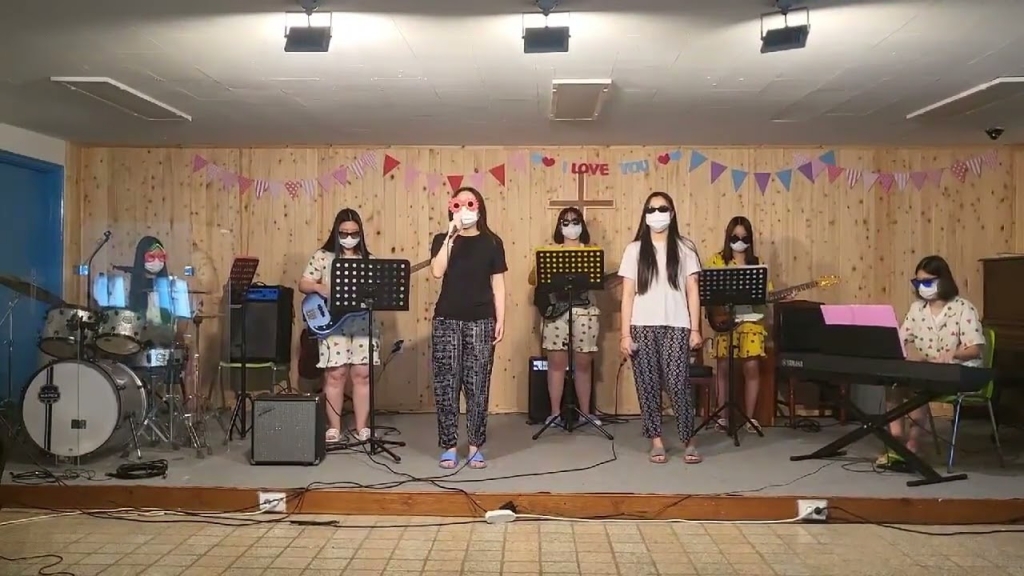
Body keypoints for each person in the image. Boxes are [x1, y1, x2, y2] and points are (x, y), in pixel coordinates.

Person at [618, 192, 704, 464]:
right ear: (645, 214)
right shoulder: (634, 250)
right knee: (648, 385)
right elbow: (627, 294)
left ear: (672, 213)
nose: (657, 214)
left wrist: (695, 329)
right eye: (651, 209)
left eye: (662, 208)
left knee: (678, 384)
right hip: (642, 325)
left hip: (677, 324)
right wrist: (625, 334)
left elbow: (693, 290)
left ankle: (689, 440)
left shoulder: (685, 248)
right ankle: (656, 441)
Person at [878, 255, 985, 467]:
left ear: (943, 280)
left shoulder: (963, 308)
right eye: (918, 282)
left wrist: (953, 354)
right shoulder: (917, 310)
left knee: (917, 385)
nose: (922, 288)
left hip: (959, 371)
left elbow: (974, 349)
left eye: (927, 282)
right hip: (928, 369)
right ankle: (896, 441)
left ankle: (913, 446)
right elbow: (900, 339)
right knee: (893, 382)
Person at [429, 186, 507, 469]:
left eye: (470, 203)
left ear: (479, 207)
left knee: (478, 386)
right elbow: (437, 271)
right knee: (446, 385)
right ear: (451, 208)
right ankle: (449, 446)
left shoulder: (492, 242)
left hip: (481, 320)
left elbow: (498, 284)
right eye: (458, 204)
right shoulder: (443, 239)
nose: (464, 208)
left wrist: (501, 319)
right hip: (446, 320)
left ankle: (475, 446)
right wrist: (451, 237)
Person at [298, 208, 380, 444]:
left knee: (362, 374)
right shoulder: (323, 256)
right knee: (335, 374)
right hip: (333, 324)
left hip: (362, 323)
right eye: (344, 233)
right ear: (336, 232)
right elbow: (303, 283)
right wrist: (318, 287)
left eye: (354, 233)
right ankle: (333, 427)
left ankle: (362, 426)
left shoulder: (369, 261)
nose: (349, 237)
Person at [528, 207, 601, 427]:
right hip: (557, 312)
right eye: (565, 222)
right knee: (556, 362)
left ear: (582, 225)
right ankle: (554, 413)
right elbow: (532, 279)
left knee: (583, 363)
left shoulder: (592, 252)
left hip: (585, 311)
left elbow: (598, 280)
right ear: (560, 227)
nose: (571, 226)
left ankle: (586, 413)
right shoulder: (550, 252)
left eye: (575, 221)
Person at [705, 216, 771, 433]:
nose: (739, 242)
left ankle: (751, 418)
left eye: (744, 237)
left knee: (751, 367)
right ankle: (723, 417)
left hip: (751, 321)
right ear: (728, 237)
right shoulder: (717, 261)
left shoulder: (756, 263)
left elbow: (766, 293)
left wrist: (777, 296)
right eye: (735, 237)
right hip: (726, 320)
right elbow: (708, 291)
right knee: (723, 367)